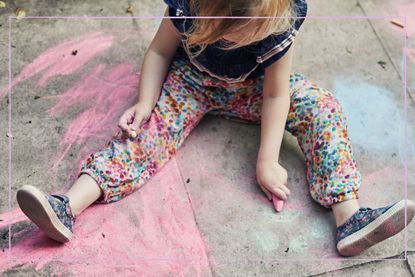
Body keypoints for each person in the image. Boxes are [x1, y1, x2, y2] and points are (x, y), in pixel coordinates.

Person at [16, 0, 415, 257]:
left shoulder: (280, 16)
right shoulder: (188, 6)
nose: (234, 40)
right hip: (191, 83)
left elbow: (277, 95)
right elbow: (158, 51)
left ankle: (349, 216)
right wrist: (144, 101)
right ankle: (67, 205)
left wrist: (267, 160)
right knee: (145, 136)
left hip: (256, 90)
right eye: (228, 33)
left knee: (321, 106)